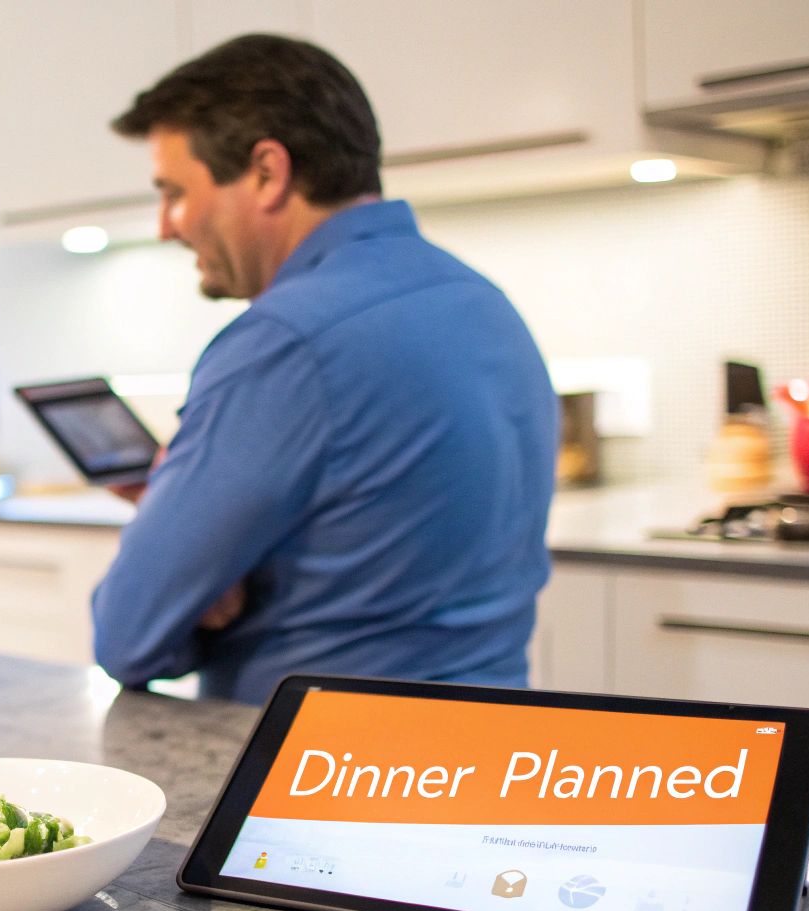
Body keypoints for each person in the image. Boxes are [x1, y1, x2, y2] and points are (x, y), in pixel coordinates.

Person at [90, 34, 557, 704]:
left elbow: (125, 635)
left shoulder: (284, 342)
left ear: (267, 172)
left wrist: (204, 582)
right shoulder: (483, 302)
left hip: (328, 771)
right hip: (488, 746)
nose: (167, 226)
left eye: (175, 192)